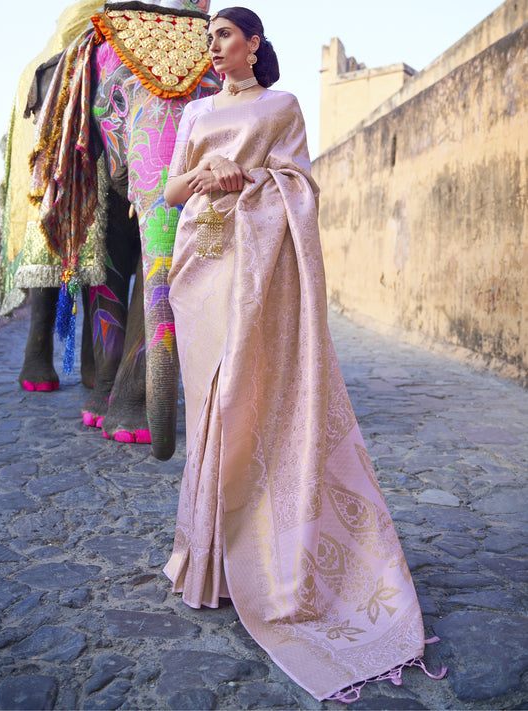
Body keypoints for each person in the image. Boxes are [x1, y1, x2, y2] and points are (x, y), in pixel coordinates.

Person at [163, 6, 446, 703]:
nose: (215, 47)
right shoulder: (195, 115)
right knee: (208, 408)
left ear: (253, 42)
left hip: (260, 271)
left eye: (224, 35)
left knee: (245, 400)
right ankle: (209, 564)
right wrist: (207, 177)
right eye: (210, 39)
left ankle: (267, 563)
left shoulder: (282, 105)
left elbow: (301, 187)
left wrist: (249, 177)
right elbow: (169, 190)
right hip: (206, 266)